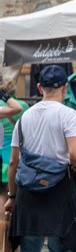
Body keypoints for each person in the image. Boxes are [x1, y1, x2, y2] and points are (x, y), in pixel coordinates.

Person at [4, 65, 76, 252]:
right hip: (59, 192)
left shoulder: (25, 117)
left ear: (39, 87)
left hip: (28, 194)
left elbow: (13, 163)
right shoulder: (68, 114)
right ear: (64, 87)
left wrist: (11, 196)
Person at [0, 78, 28, 219]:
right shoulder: (23, 106)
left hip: (2, 157)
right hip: (17, 157)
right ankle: (10, 234)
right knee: (15, 197)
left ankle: (2, 234)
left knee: (2, 197)